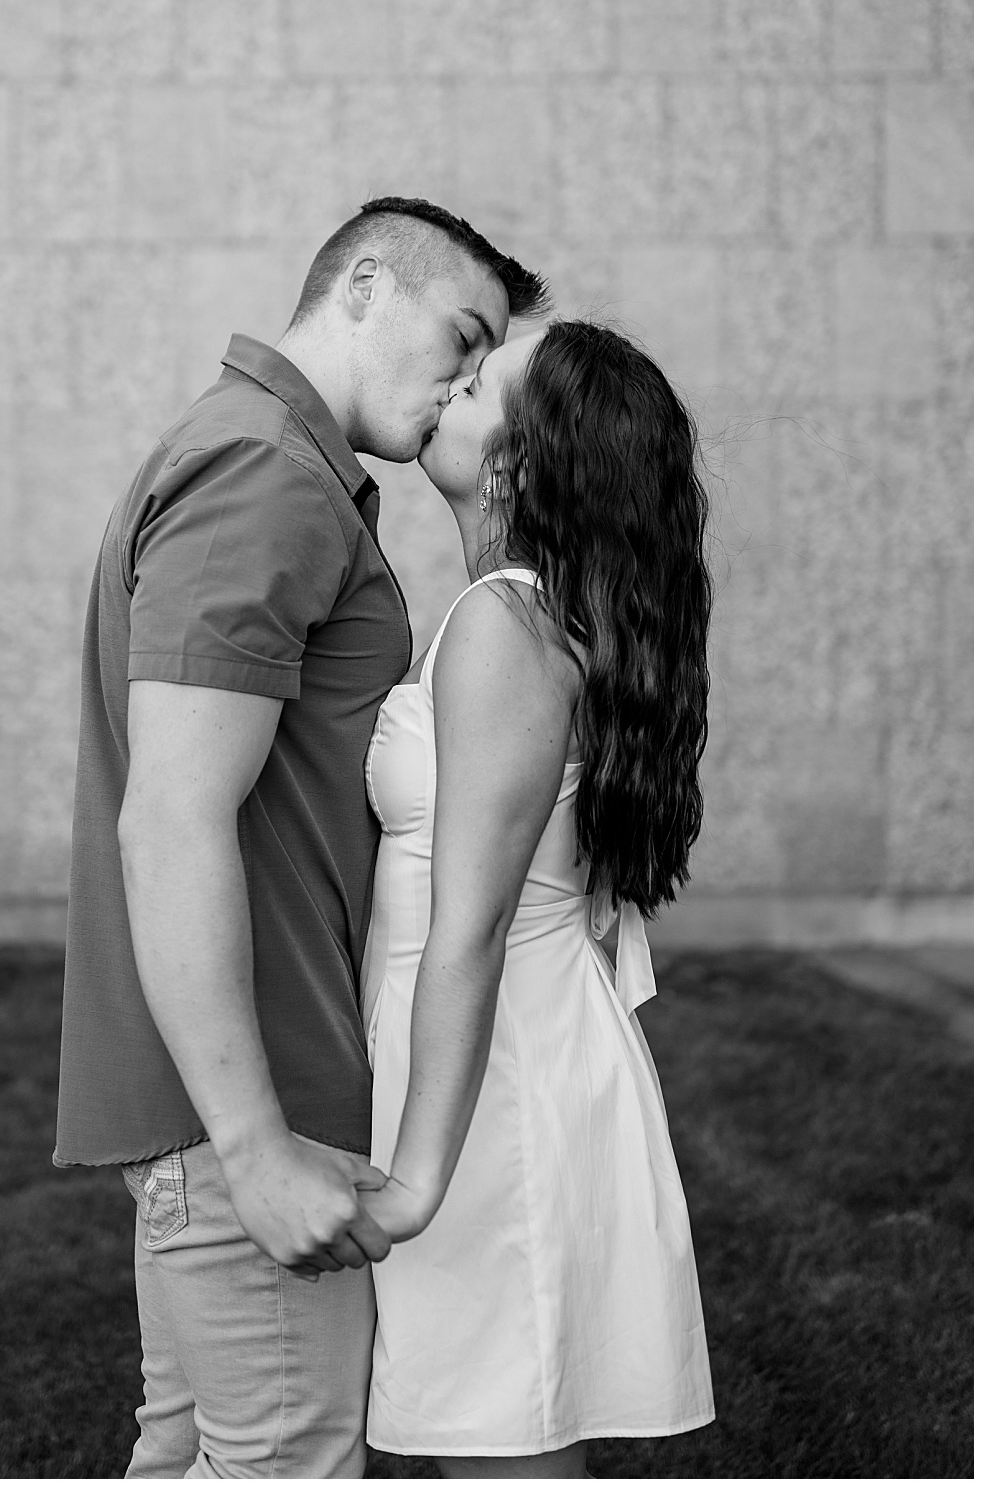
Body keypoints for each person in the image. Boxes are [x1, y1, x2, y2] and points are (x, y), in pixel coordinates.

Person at [53, 196, 548, 1478]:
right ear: (367, 285)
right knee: (287, 1459)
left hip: (230, 1099)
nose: (463, 384)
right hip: (252, 1105)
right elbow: (170, 815)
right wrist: (256, 1145)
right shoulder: (267, 472)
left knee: (195, 1456)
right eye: (464, 336)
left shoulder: (280, 463)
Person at [358, 319, 717, 1476]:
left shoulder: (505, 622)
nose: (447, 381)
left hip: (490, 1084)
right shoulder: (529, 612)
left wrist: (418, 1176)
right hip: (510, 1057)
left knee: (503, 1454)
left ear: (525, 457)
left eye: (476, 381)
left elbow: (471, 929)